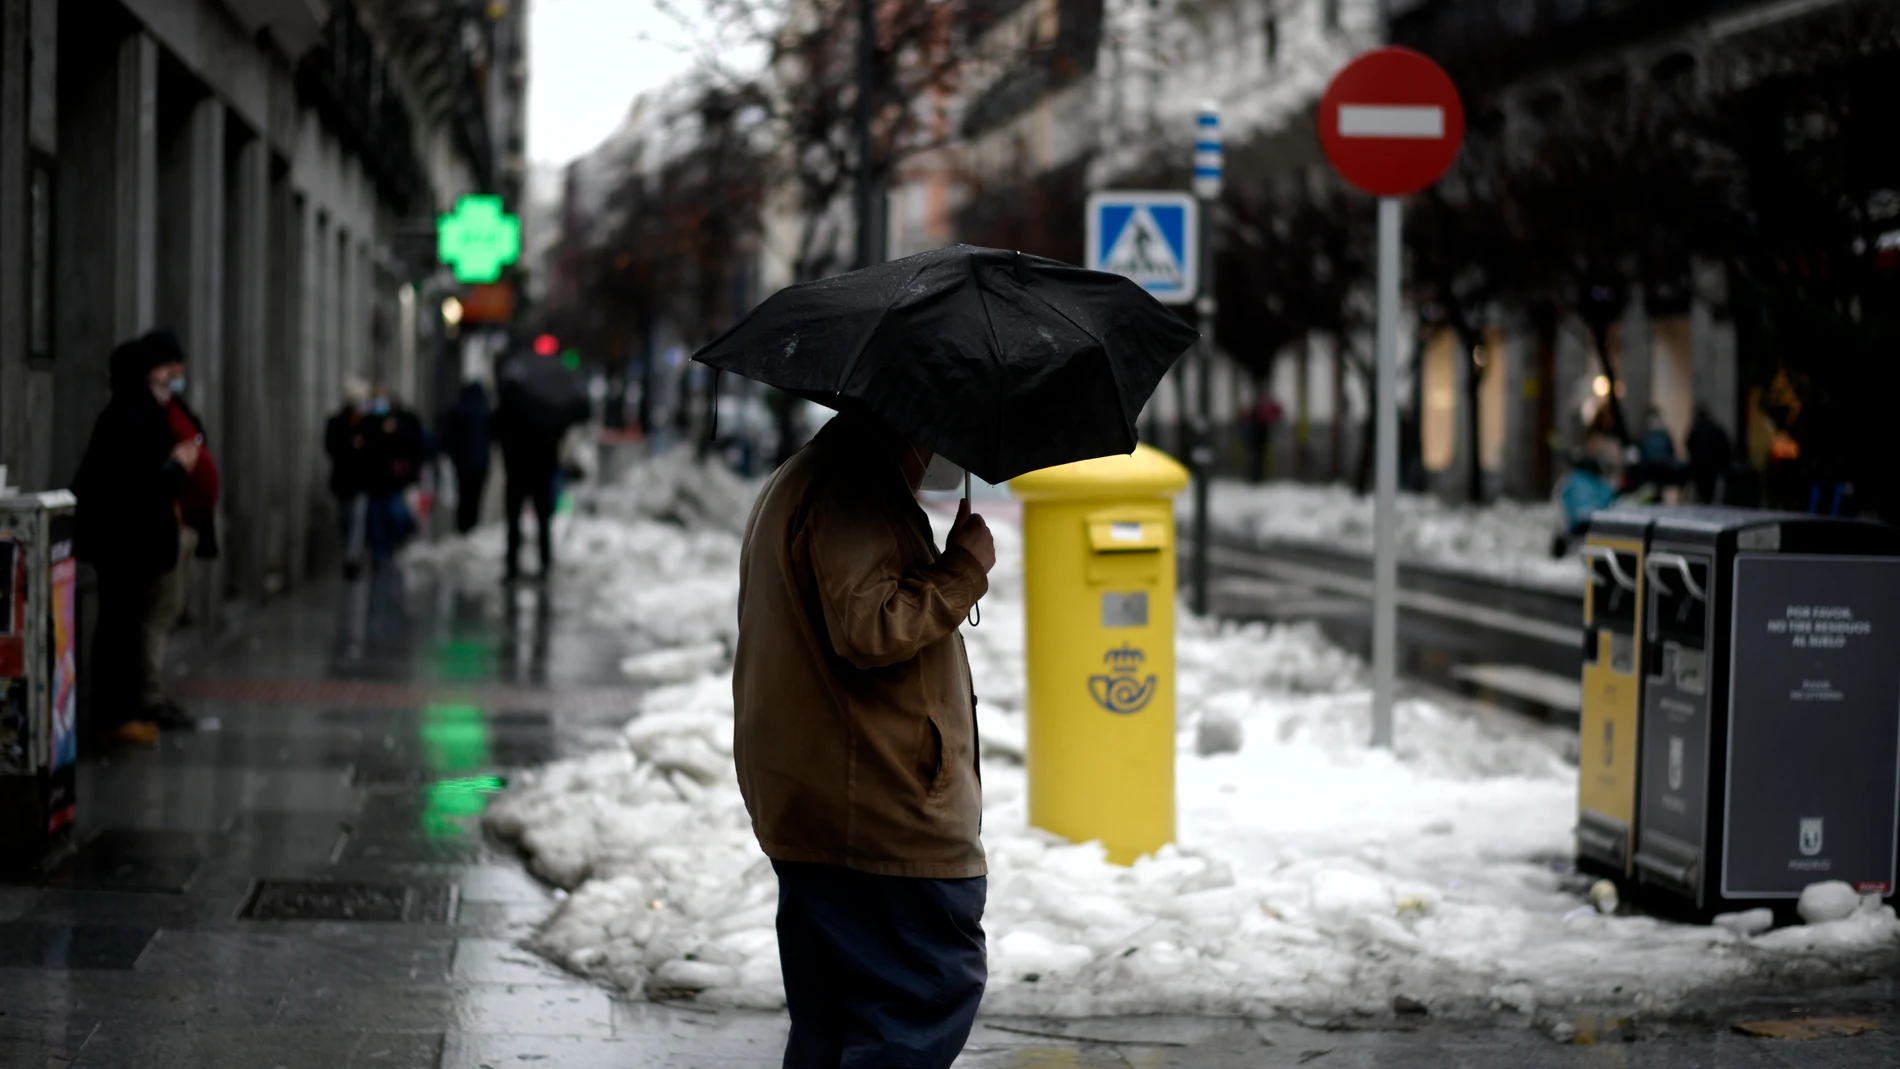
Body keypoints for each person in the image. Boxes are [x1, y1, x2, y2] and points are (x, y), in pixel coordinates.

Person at [732, 408, 997, 1069]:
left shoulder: (818, 474)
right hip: (878, 811)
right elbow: (871, 625)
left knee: (833, 1021)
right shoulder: (851, 483)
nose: (943, 440)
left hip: (829, 799)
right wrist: (963, 567)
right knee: (921, 996)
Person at [73, 329, 219, 744]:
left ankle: (122, 711)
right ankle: (115, 715)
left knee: (125, 624)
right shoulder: (129, 417)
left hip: (134, 542)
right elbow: (137, 485)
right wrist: (174, 466)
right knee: (120, 629)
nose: (170, 376)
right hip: (124, 542)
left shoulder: (138, 412)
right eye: (161, 368)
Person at [358, 386, 426, 567]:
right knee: (376, 518)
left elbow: (413, 441)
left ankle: (392, 543)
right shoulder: (369, 421)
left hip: (392, 479)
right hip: (374, 479)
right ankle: (379, 553)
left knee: (395, 514)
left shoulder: (400, 420)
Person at [324, 378, 373, 579]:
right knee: (344, 520)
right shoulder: (337, 422)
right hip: (343, 481)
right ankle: (348, 553)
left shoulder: (367, 423)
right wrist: (350, 445)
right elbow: (330, 447)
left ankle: (352, 559)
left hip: (360, 482)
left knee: (358, 520)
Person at [439, 380, 493, 534]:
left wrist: (446, 451)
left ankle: (463, 527)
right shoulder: (485, 412)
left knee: (463, 495)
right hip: (480, 464)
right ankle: (472, 526)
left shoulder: (458, 411)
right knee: (475, 497)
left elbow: (447, 436)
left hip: (462, 463)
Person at [1686, 405, 1732, 505]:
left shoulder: (1696, 430)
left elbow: (1688, 445)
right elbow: (1726, 449)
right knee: (1711, 495)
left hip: (1700, 469)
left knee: (1702, 495)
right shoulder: (1716, 429)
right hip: (1713, 469)